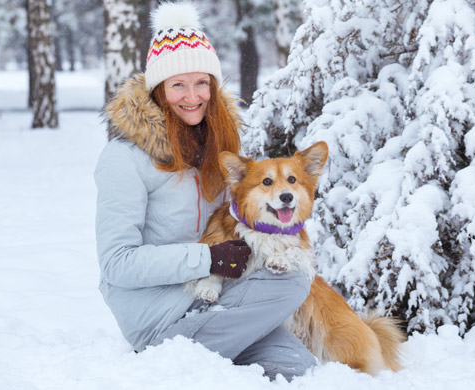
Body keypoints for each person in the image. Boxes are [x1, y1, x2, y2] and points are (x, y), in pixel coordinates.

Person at [94, 2, 315, 380]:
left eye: (201, 83)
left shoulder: (215, 149)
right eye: (177, 84)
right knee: (291, 284)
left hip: (216, 295)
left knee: (299, 368)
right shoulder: (124, 158)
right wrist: (206, 259)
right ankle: (168, 363)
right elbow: (117, 265)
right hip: (157, 313)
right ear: (158, 90)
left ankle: (210, 354)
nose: (191, 96)